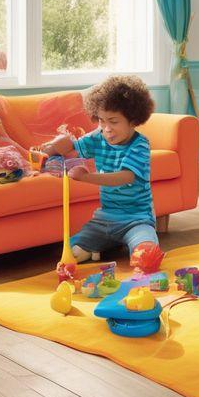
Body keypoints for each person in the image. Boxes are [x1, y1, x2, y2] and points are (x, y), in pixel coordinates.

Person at [39, 75, 160, 267]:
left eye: (113, 121)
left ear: (133, 121)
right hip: (104, 220)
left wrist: (87, 177)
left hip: (137, 219)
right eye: (101, 121)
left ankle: (118, 246)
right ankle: (101, 246)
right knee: (70, 253)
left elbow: (125, 177)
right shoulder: (99, 136)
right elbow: (73, 148)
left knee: (147, 256)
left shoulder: (140, 145)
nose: (106, 129)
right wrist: (55, 146)